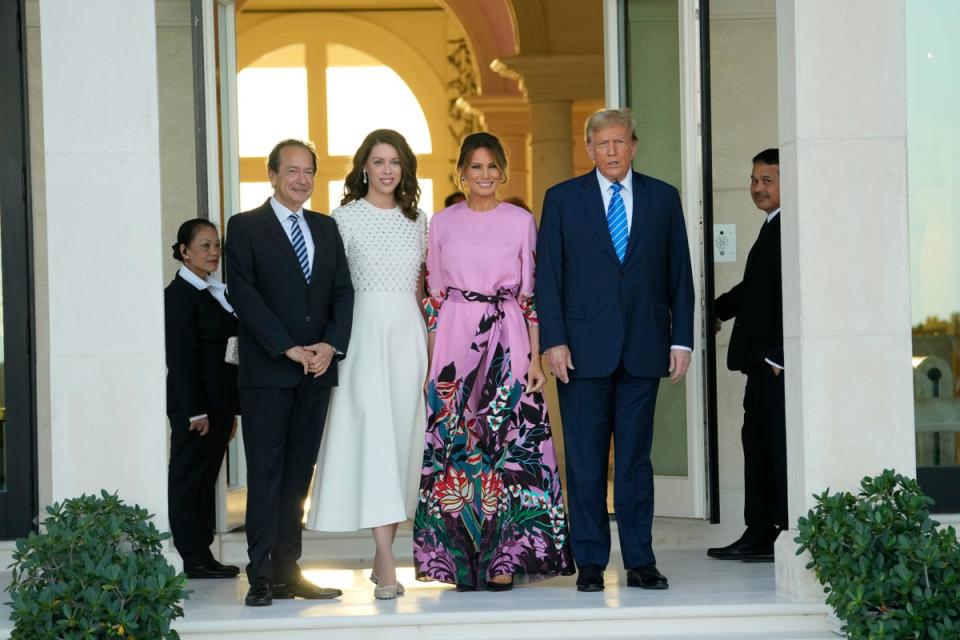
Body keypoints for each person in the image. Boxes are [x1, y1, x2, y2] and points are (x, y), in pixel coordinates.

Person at [536, 108, 695, 592]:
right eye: (601, 143)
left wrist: (681, 338)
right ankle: (588, 561)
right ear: (588, 149)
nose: (611, 151)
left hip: (645, 349)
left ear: (634, 145)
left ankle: (640, 561)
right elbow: (549, 278)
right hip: (581, 354)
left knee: (633, 463)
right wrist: (553, 342)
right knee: (584, 462)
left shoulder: (664, 199)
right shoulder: (563, 200)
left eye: (619, 142)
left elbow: (680, 276)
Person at [414, 132, 574, 592]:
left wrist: (536, 359)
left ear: (503, 172)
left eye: (492, 167)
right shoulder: (441, 223)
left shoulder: (521, 221)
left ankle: (504, 559)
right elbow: (434, 297)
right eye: (475, 167)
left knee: (509, 448)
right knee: (457, 451)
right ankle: (460, 562)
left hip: (509, 337)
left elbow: (532, 295)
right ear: (460, 173)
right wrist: (432, 362)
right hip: (455, 341)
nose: (484, 175)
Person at [225, 138, 354, 607]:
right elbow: (243, 295)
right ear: (273, 175)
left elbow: (343, 292)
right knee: (266, 475)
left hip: (317, 371)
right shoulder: (245, 227)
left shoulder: (325, 227)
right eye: (292, 171)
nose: (301, 180)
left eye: (309, 172)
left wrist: (328, 345)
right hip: (268, 373)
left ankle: (288, 570)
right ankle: (259, 575)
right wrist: (289, 348)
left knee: (299, 476)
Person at [307, 129, 427, 600]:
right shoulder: (344, 220)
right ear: (364, 167)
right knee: (374, 441)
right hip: (361, 340)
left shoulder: (419, 220)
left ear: (405, 169)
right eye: (378, 161)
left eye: (395, 161)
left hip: (407, 338)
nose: (387, 170)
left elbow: (421, 291)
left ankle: (386, 553)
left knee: (400, 443)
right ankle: (385, 558)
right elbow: (331, 289)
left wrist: (431, 347)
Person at [707, 148, 785, 563]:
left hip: (774, 366)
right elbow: (753, 291)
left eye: (767, 180)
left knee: (774, 451)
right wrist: (713, 310)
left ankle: (781, 535)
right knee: (756, 449)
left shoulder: (792, 229)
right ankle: (758, 534)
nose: (758, 188)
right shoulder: (771, 227)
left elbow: (803, 294)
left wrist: (779, 357)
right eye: (754, 180)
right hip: (759, 365)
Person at [164, 218, 240, 580]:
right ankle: (191, 555)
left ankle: (202, 553)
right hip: (196, 406)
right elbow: (180, 358)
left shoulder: (216, 291)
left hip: (219, 403)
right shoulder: (177, 295)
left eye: (216, 246)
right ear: (184, 251)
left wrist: (231, 411)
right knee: (188, 478)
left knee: (206, 479)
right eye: (205, 246)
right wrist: (196, 411)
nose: (213, 253)